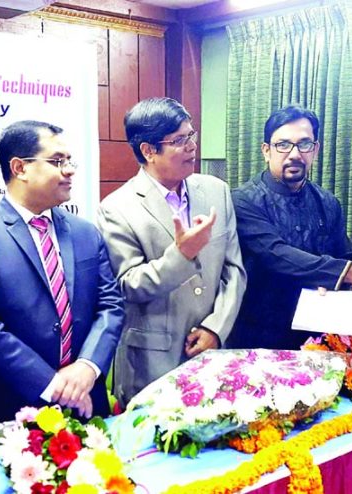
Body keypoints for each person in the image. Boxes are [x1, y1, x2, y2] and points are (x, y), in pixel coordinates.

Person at [0, 120, 125, 450]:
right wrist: (55, 385)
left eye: (70, 161)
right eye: (58, 161)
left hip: (87, 400)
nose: (70, 170)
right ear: (20, 168)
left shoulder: (85, 232)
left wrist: (87, 368)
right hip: (12, 407)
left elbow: (111, 306)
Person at [97, 97, 246, 405]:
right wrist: (181, 256)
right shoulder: (116, 208)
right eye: (179, 140)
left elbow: (234, 271)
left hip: (215, 353)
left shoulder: (216, 190)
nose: (192, 146)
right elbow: (128, 284)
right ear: (148, 151)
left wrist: (216, 329)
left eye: (191, 135)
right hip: (153, 364)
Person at [228, 104, 352, 350]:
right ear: (266, 151)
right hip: (257, 335)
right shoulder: (243, 201)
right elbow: (276, 254)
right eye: (283, 145)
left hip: (317, 338)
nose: (294, 154)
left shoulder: (327, 202)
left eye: (304, 144)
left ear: (315, 150)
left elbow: (345, 254)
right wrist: (349, 272)